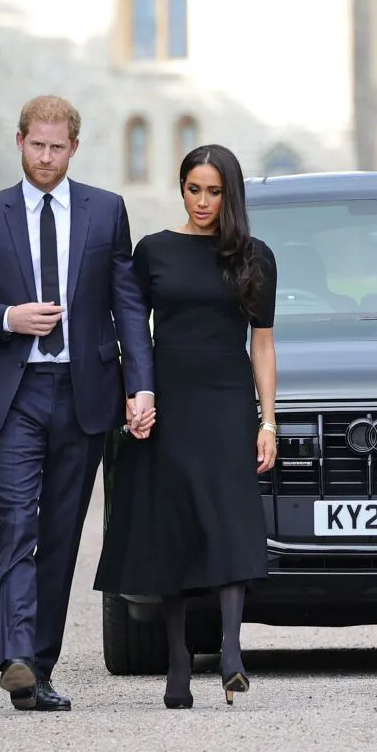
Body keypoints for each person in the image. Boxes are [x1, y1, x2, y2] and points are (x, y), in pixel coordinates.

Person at [0, 95, 155, 712]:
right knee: (18, 525)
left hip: (85, 396)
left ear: (74, 149)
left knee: (61, 537)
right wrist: (6, 316)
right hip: (16, 394)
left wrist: (141, 384)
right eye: (37, 145)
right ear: (20, 141)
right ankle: (14, 656)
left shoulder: (105, 211)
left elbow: (128, 307)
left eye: (58, 147)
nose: (46, 157)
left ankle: (41, 666)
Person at [93, 143, 278, 709]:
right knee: (171, 528)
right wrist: (135, 397)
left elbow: (263, 344)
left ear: (231, 194)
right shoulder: (154, 252)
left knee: (226, 520)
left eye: (214, 191)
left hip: (226, 404)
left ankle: (229, 653)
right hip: (169, 404)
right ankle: (177, 666)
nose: (202, 201)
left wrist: (267, 420)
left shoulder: (255, 257)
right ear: (182, 189)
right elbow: (131, 328)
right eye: (194, 189)